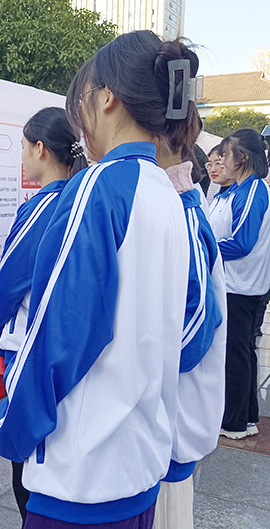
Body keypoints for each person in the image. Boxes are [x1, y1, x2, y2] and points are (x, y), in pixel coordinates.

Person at [0, 30, 194, 528]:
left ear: (106, 98)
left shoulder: (99, 187)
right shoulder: (166, 194)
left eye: (80, 100)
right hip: (137, 471)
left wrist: (9, 426)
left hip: (81, 481)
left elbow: (58, 336)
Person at [0, 106, 87, 527]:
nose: (23, 157)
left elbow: (10, 280)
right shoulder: (80, 200)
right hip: (65, 344)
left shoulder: (43, 207)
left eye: (24, 148)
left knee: (24, 452)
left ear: (41, 149)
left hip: (27, 343)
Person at [152, 148, 226, 529]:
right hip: (166, 415)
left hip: (173, 419)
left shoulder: (182, 211)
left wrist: (143, 370)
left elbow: (199, 320)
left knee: (169, 512)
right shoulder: (178, 205)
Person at [214, 129, 270, 439]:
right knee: (241, 352)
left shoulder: (252, 192)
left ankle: (234, 422)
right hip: (238, 284)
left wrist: (203, 247)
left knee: (235, 355)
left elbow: (242, 242)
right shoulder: (240, 190)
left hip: (240, 286)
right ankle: (245, 418)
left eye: (226, 155)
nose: (222, 161)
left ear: (243, 158)